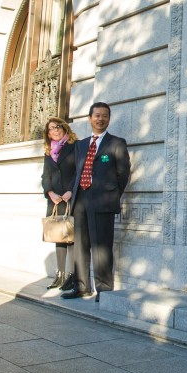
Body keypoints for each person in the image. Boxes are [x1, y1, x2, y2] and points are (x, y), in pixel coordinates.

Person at [62, 102, 131, 300]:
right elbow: (78, 171)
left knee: (101, 246)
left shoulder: (117, 143)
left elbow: (123, 173)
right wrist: (71, 193)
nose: (100, 119)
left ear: (109, 119)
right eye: (97, 115)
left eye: (105, 116)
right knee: (80, 246)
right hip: (81, 200)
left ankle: (104, 290)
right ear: (90, 118)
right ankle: (82, 286)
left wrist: (111, 195)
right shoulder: (81, 145)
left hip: (103, 202)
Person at [41, 117, 77, 290]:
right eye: (50, 129)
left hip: (71, 198)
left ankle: (72, 275)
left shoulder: (74, 146)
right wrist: (50, 192)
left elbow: (79, 170)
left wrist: (71, 190)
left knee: (71, 238)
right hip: (55, 200)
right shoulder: (48, 152)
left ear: (64, 128)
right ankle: (60, 275)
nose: (54, 131)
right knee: (58, 237)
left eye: (57, 127)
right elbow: (45, 176)